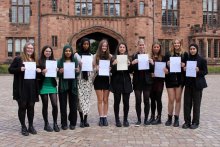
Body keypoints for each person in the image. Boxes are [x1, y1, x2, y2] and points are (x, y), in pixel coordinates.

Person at [8, 42, 41, 136]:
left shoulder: (34, 60)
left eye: (31, 48)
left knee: (31, 106)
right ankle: (23, 126)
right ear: (24, 49)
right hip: (21, 87)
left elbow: (38, 73)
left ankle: (30, 126)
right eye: (28, 48)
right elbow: (10, 69)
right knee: (22, 106)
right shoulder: (18, 59)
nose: (30, 50)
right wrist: (19, 69)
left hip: (32, 87)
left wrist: (39, 71)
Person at [182, 43, 208, 129]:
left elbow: (205, 72)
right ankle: (187, 122)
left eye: (194, 49)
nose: (192, 50)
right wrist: (184, 69)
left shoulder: (202, 60)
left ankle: (195, 122)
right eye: (191, 49)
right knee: (187, 104)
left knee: (196, 104)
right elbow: (184, 71)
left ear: (196, 49)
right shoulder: (187, 59)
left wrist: (198, 71)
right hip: (188, 84)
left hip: (197, 85)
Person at [164, 38, 188, 127]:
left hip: (180, 79)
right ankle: (169, 117)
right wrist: (167, 65)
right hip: (170, 79)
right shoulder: (168, 54)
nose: (176, 45)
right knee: (171, 99)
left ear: (180, 44)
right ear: (172, 44)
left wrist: (184, 65)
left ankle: (176, 118)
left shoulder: (184, 54)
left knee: (178, 99)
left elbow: (188, 65)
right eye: (175, 43)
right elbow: (164, 66)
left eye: (178, 43)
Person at [131, 39, 154, 126]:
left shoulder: (148, 56)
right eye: (140, 45)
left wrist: (152, 64)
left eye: (143, 45)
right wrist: (132, 63)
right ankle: (139, 119)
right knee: (138, 100)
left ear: (145, 46)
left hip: (147, 81)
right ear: (138, 46)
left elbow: (152, 70)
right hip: (137, 81)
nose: (141, 46)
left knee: (146, 100)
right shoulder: (134, 56)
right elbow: (131, 70)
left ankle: (146, 119)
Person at [110, 42, 133, 127]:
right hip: (117, 82)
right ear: (118, 49)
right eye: (120, 47)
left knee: (126, 102)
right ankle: (117, 119)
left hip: (126, 82)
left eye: (123, 47)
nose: (122, 48)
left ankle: (125, 119)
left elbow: (130, 71)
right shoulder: (113, 58)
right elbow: (111, 72)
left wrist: (129, 65)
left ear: (125, 49)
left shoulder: (128, 58)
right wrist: (113, 65)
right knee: (117, 102)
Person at [38, 45, 60, 132]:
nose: (48, 52)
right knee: (45, 105)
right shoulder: (39, 61)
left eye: (49, 51)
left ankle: (55, 123)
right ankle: (46, 124)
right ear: (43, 52)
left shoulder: (54, 61)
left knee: (55, 104)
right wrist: (42, 72)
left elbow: (57, 75)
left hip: (51, 85)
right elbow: (36, 74)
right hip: (43, 85)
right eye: (46, 51)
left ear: (51, 53)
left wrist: (57, 71)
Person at [57, 44, 79, 130]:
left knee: (73, 105)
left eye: (69, 51)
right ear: (64, 52)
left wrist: (77, 71)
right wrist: (60, 72)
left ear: (71, 52)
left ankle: (73, 123)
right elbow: (57, 74)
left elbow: (77, 73)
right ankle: (64, 123)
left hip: (73, 85)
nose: (68, 52)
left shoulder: (75, 60)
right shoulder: (60, 61)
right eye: (66, 51)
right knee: (63, 105)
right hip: (63, 85)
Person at [93, 39, 112, 126]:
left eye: (106, 46)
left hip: (106, 80)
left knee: (106, 100)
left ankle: (105, 117)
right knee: (100, 100)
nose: (104, 47)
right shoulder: (96, 56)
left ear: (107, 47)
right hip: (98, 79)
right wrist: (96, 68)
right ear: (100, 46)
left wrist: (110, 69)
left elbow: (113, 68)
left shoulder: (110, 56)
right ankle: (101, 117)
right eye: (103, 46)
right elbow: (92, 68)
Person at [76, 38, 93, 128]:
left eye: (87, 44)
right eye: (84, 44)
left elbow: (93, 68)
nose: (86, 45)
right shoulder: (77, 55)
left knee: (87, 100)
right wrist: (77, 68)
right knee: (80, 100)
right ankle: (81, 119)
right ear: (81, 45)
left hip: (88, 80)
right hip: (80, 79)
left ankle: (85, 119)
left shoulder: (91, 56)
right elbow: (74, 66)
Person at [149, 41, 167, 125]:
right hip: (151, 81)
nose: (156, 48)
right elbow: (147, 69)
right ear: (152, 48)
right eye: (154, 47)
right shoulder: (150, 58)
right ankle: (152, 116)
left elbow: (166, 69)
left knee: (158, 99)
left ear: (160, 48)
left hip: (159, 81)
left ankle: (159, 117)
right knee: (152, 99)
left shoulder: (163, 58)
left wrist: (166, 71)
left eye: (157, 47)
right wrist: (150, 73)